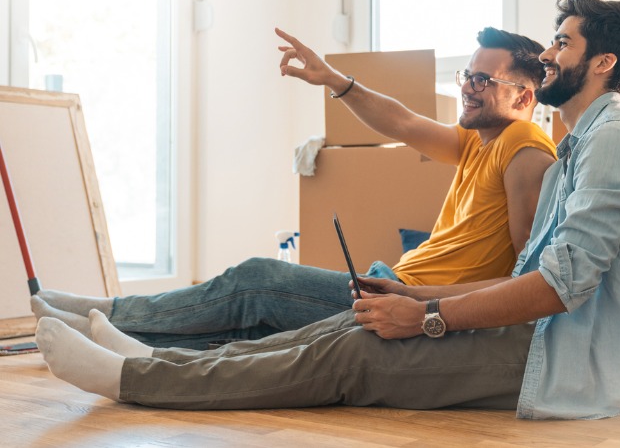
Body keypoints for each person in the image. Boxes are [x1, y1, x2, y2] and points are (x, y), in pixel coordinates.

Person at [36, 0, 620, 420]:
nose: (549, 54)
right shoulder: (581, 146)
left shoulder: (601, 145)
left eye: (563, 44)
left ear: (603, 62)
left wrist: (427, 315)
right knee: (346, 329)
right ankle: (148, 362)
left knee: (351, 351)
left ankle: (137, 375)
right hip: (550, 338)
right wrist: (416, 298)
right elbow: (533, 273)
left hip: (584, 365)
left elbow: (554, 285)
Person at [31, 27, 557, 349]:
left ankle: (103, 313)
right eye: (468, 74)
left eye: (485, 80)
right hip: (387, 284)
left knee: (253, 282)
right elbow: (399, 121)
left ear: (525, 97)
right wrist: (336, 81)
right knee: (253, 330)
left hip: (401, 297)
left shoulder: (525, 144)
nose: (469, 86)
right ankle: (102, 334)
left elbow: (526, 275)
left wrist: (426, 311)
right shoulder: (479, 142)